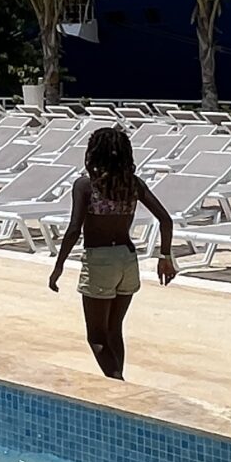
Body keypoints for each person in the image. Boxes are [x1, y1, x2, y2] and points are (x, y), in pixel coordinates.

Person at [48, 125, 179, 379]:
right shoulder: (133, 185)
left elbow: (74, 229)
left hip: (100, 261)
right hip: (127, 260)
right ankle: (119, 381)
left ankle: (117, 382)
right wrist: (165, 257)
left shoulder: (86, 186)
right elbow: (166, 220)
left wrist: (59, 266)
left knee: (96, 336)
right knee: (114, 329)